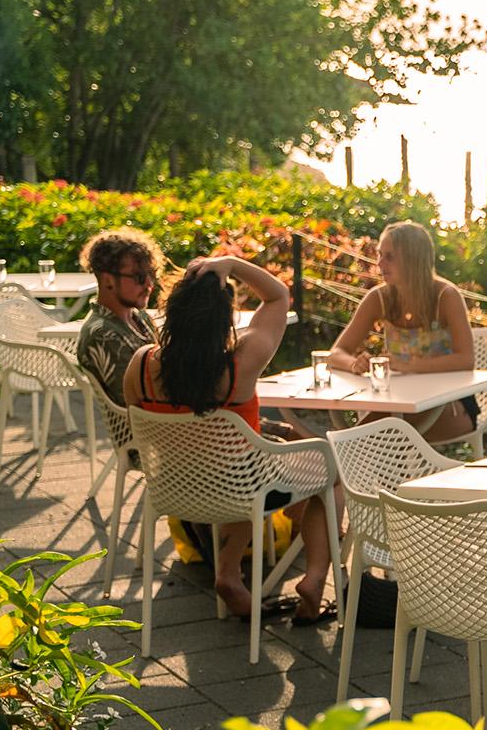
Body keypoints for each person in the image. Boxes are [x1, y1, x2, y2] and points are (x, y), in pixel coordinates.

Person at [123, 255, 336, 624]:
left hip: (175, 488)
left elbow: (145, 424)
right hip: (241, 487)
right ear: (224, 317)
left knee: (235, 468)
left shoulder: (141, 364)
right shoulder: (241, 362)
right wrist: (231, 264)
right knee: (331, 473)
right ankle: (315, 578)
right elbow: (278, 297)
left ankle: (229, 576)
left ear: (172, 311)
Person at [326, 220, 476, 441]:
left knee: (361, 441)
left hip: (449, 406)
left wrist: (410, 366)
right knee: (364, 440)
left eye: (390, 257)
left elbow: (466, 359)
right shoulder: (379, 298)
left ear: (413, 259)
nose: (379, 263)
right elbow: (336, 353)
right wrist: (354, 363)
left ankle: (339, 467)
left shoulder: (446, 296)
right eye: (379, 255)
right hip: (397, 404)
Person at [73, 227, 165, 405]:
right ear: (108, 280)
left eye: (151, 275)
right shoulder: (102, 334)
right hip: (147, 428)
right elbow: (137, 402)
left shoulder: (139, 317)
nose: (149, 285)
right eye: (139, 277)